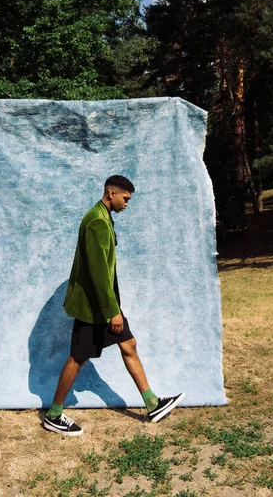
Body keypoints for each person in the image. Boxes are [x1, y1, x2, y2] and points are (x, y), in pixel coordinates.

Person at [43, 175, 185, 436]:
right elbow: (98, 273)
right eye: (125, 198)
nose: (127, 204)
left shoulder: (103, 216)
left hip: (104, 303)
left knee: (128, 344)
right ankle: (53, 414)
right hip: (94, 307)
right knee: (78, 357)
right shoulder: (96, 221)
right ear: (111, 193)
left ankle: (152, 404)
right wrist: (113, 312)